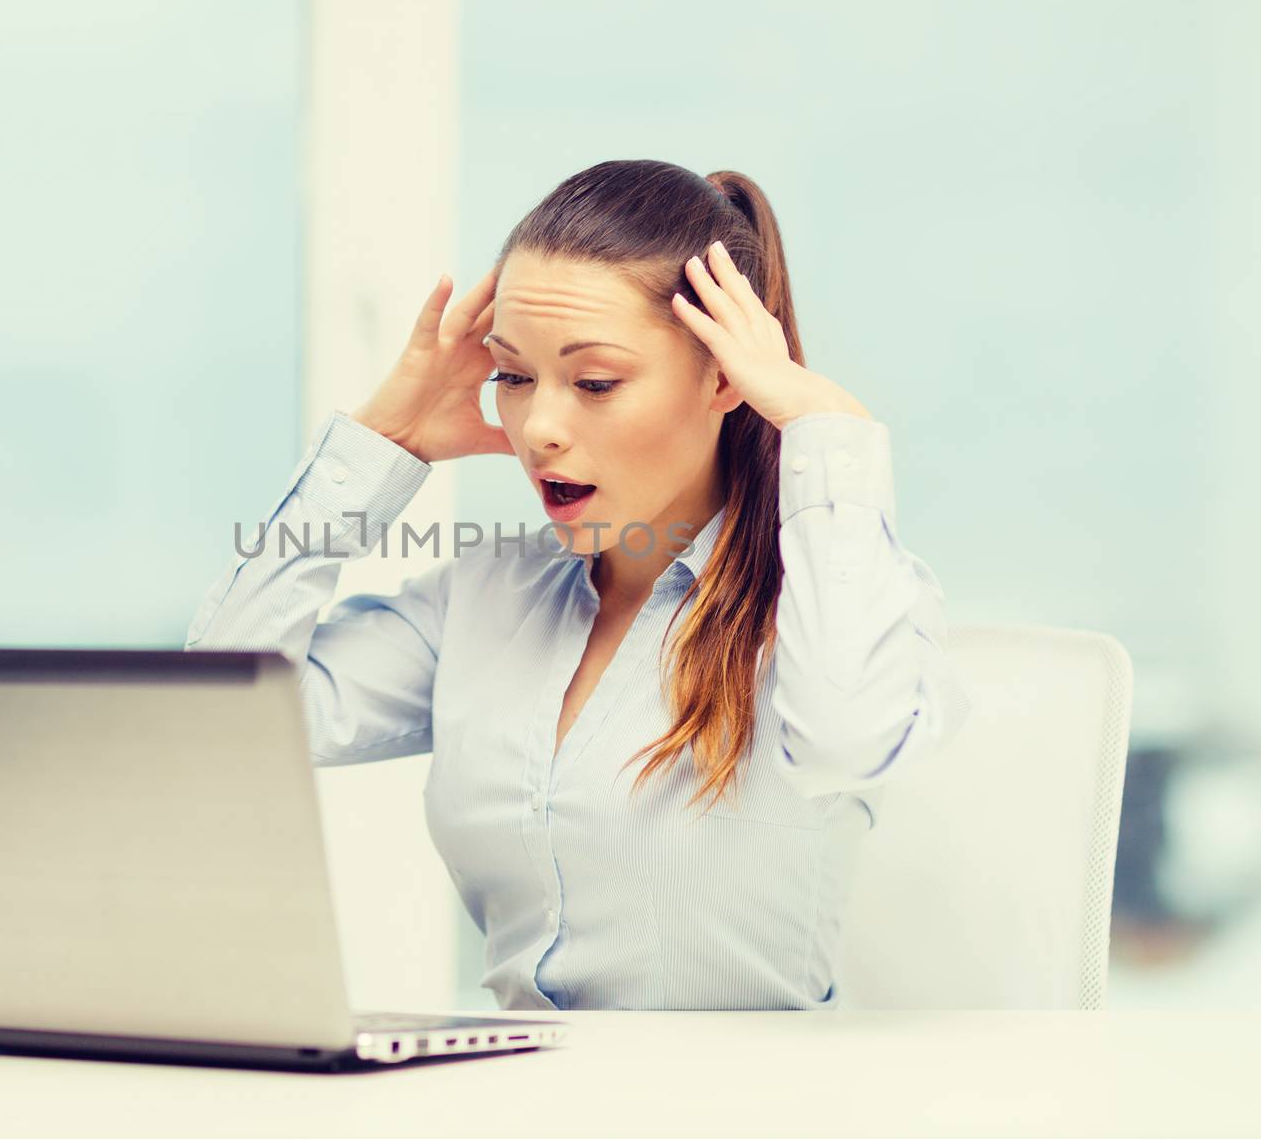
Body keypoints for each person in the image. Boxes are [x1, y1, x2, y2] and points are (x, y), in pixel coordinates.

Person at [185, 159, 972, 1011]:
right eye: (513, 377)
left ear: (722, 379)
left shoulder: (832, 600)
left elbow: (846, 738)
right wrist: (380, 442)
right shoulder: (485, 597)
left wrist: (829, 432)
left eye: (595, 382)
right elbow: (228, 718)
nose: (540, 430)